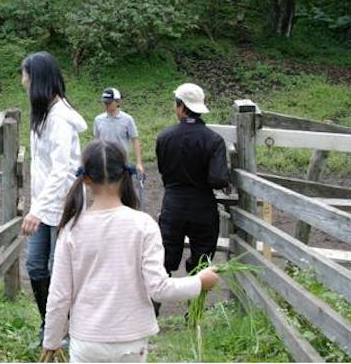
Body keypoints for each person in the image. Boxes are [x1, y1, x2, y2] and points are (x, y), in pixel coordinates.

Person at [42, 139, 219, 362]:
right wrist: (200, 281)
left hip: (87, 342)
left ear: (85, 179)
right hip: (132, 342)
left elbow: (59, 296)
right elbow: (160, 289)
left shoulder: (71, 230)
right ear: (126, 175)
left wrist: (52, 340)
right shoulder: (143, 225)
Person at [19, 51, 87, 344]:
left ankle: (65, 329)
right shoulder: (44, 114)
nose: (22, 81)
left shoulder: (59, 119)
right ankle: (50, 324)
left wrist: (37, 210)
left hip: (62, 206)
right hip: (44, 206)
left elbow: (61, 171)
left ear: (37, 79)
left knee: (55, 268)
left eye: (25, 75)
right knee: (35, 265)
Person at [156, 83, 230, 279]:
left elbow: (163, 171)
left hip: (173, 204)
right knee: (201, 264)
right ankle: (195, 308)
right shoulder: (214, 140)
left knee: (164, 262)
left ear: (181, 106)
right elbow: (218, 179)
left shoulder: (164, 138)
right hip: (202, 206)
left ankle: (155, 306)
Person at [93, 87, 144, 176]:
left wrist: (139, 163)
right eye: (105, 102)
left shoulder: (127, 119)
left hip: (122, 163)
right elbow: (96, 141)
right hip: (104, 163)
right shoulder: (98, 120)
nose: (106, 105)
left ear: (117, 102)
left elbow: (135, 140)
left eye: (109, 102)